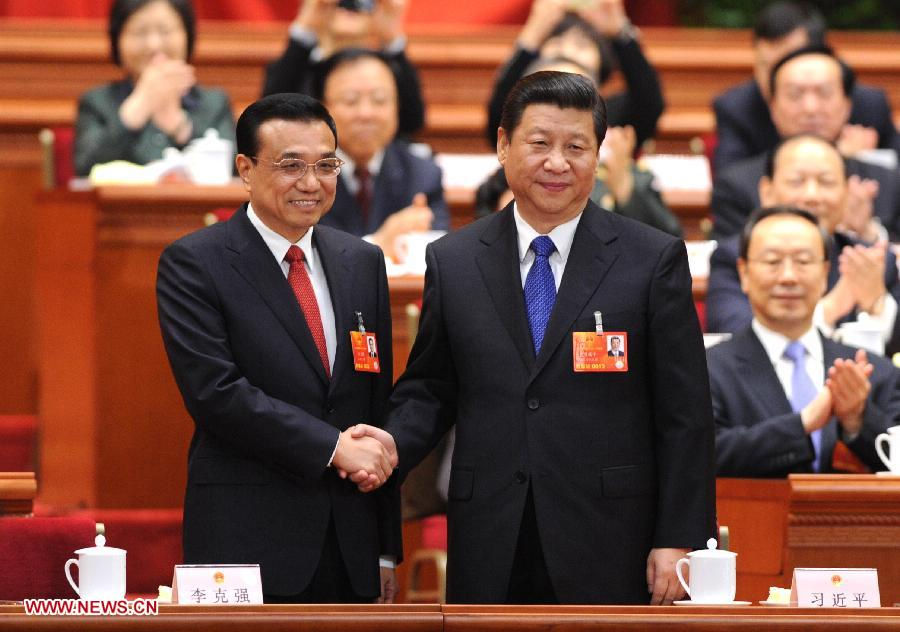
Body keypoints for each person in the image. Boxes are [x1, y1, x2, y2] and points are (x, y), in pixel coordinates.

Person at [351, 71, 716, 604]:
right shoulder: (453, 260)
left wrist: (679, 537)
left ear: (598, 154)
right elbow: (430, 388)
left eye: (576, 147)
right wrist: (387, 445)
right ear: (503, 145)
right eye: (539, 143)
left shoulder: (651, 259)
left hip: (611, 532)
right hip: (490, 530)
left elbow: (686, 414)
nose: (557, 163)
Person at [156, 93, 401, 603]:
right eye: (291, 165)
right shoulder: (195, 263)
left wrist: (383, 550)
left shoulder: (362, 262)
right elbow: (217, 394)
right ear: (245, 168)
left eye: (325, 165)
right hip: (248, 538)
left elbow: (376, 407)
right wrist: (333, 447)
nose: (311, 183)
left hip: (349, 543)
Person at [708, 206, 899, 477]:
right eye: (772, 261)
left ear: (824, 273)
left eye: (803, 261)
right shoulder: (709, 370)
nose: (788, 276)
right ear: (744, 273)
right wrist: (803, 424)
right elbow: (702, 455)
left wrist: (857, 421)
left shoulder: (875, 373)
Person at [707, 134, 900, 354]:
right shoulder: (735, 257)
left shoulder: (871, 260)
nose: (812, 196)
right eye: (797, 181)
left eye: (826, 182)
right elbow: (734, 339)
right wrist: (833, 306)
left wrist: (879, 307)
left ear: (847, 193)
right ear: (766, 191)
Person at [711, 45, 900, 241]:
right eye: (795, 94)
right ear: (773, 108)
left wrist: (868, 234)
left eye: (824, 93)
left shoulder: (888, 181)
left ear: (846, 106)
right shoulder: (736, 185)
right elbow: (727, 259)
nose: (810, 108)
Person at [712, 1, 899, 173]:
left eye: (788, 60)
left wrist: (863, 162)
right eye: (765, 65)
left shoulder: (870, 105)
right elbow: (730, 182)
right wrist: (837, 158)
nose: (775, 75)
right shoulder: (736, 108)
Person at [311, 48, 448, 260]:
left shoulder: (423, 174)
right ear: (323, 108)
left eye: (380, 99)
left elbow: (436, 256)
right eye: (351, 100)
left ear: (397, 106)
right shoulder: (304, 175)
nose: (366, 113)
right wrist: (378, 243)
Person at [74, 0, 235, 176]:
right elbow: (84, 167)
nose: (154, 45)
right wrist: (138, 107)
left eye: (165, 31)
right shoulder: (96, 102)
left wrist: (180, 128)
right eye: (139, 32)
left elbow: (236, 171)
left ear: (188, 34)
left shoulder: (214, 103)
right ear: (117, 38)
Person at [485, 0, 664, 152]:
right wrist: (530, 37)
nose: (567, 50)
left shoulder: (612, 115)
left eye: (581, 45)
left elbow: (649, 102)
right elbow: (498, 109)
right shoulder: (520, 111)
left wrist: (621, 33)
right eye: (557, 43)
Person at [262, 0, 425, 139]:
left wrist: (391, 36)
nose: (349, 6)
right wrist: (305, 26)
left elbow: (412, 121)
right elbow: (271, 117)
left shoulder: (386, 70)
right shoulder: (295, 68)